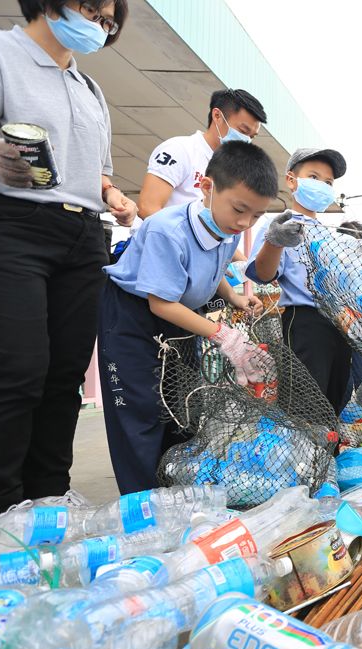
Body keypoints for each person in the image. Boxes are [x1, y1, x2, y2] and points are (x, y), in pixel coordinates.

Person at [0, 0, 135, 517]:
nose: (99, 25)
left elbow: (98, 170)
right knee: (16, 367)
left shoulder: (91, 89)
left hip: (83, 233)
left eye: (108, 20)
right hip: (9, 225)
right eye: (92, 9)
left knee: (64, 376)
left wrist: (112, 195)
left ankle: (47, 499)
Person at [98, 142, 278, 493]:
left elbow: (214, 271)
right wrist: (225, 337)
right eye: (240, 209)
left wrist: (233, 296)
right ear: (208, 188)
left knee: (179, 407)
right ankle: (143, 506)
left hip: (182, 319)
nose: (244, 222)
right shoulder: (169, 230)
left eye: (256, 216)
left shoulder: (226, 231)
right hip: (134, 317)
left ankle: (174, 490)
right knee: (140, 411)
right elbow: (160, 303)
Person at [245, 147, 354, 415]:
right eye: (314, 177)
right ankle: (306, 455)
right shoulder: (280, 224)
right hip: (305, 323)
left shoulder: (330, 234)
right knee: (306, 403)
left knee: (336, 400)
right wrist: (275, 242)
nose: (322, 186)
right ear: (292, 180)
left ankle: (328, 452)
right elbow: (262, 274)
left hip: (341, 328)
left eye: (328, 183)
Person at [137, 88, 268, 220]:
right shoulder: (180, 149)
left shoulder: (234, 170)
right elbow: (147, 208)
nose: (247, 140)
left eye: (252, 136)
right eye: (243, 130)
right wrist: (184, 240)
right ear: (217, 116)